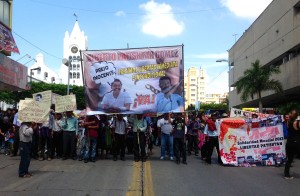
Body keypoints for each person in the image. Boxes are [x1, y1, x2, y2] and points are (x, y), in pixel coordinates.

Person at [284, 109, 300, 179]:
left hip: (289, 142)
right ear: (297, 116)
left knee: (289, 159)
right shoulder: (297, 123)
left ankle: (286, 175)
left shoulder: (288, 122)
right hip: (296, 143)